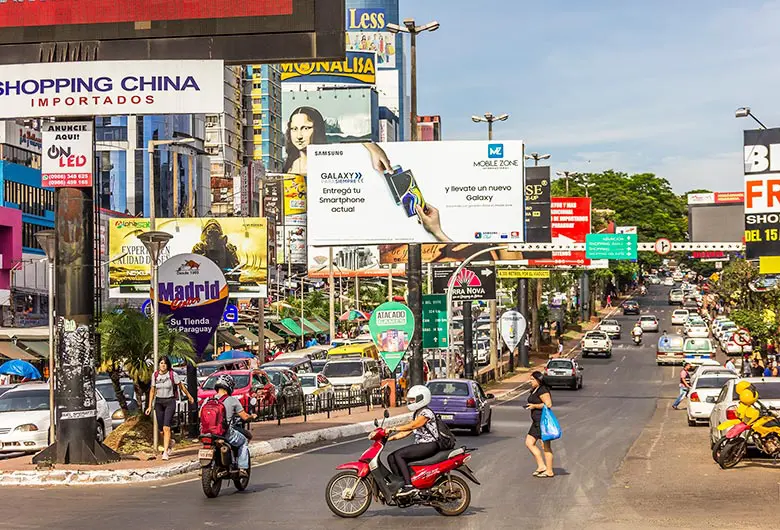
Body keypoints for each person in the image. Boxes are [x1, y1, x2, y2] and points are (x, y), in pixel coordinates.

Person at [387, 385, 441, 497]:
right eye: (410, 400)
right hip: (422, 444)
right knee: (391, 457)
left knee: (399, 455)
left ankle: (408, 486)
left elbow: (413, 425)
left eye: (413, 400)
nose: (410, 402)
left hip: (429, 444)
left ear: (422, 398)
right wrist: (389, 438)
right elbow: (407, 431)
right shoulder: (417, 412)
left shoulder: (426, 412)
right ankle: (401, 484)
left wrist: (393, 428)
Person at [145, 356, 194, 460]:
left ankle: (165, 451)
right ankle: (170, 442)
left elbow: (181, 387)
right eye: (161, 363)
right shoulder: (155, 375)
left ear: (168, 365)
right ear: (158, 364)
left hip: (170, 401)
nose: (163, 365)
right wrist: (149, 406)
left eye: (165, 363)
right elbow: (152, 391)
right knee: (161, 430)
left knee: (166, 427)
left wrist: (189, 396)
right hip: (158, 402)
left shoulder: (173, 375)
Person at [211, 374, 257, 477]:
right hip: (225, 433)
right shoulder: (233, 400)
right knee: (244, 440)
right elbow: (244, 417)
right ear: (229, 386)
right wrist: (252, 416)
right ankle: (242, 468)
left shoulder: (209, 400)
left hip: (209, 433)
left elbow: (200, 415)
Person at [282, 106, 327, 175]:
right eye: (294, 129)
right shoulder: (288, 165)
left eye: (305, 128)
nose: (299, 136)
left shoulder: (326, 164)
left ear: (317, 129)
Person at [526, 372, 555, 478]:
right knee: (529, 443)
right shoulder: (535, 389)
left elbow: (548, 404)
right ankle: (541, 466)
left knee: (545, 446)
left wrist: (535, 406)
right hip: (535, 422)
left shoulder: (542, 390)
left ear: (539, 380)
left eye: (532, 379)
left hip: (542, 422)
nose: (530, 381)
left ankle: (549, 470)